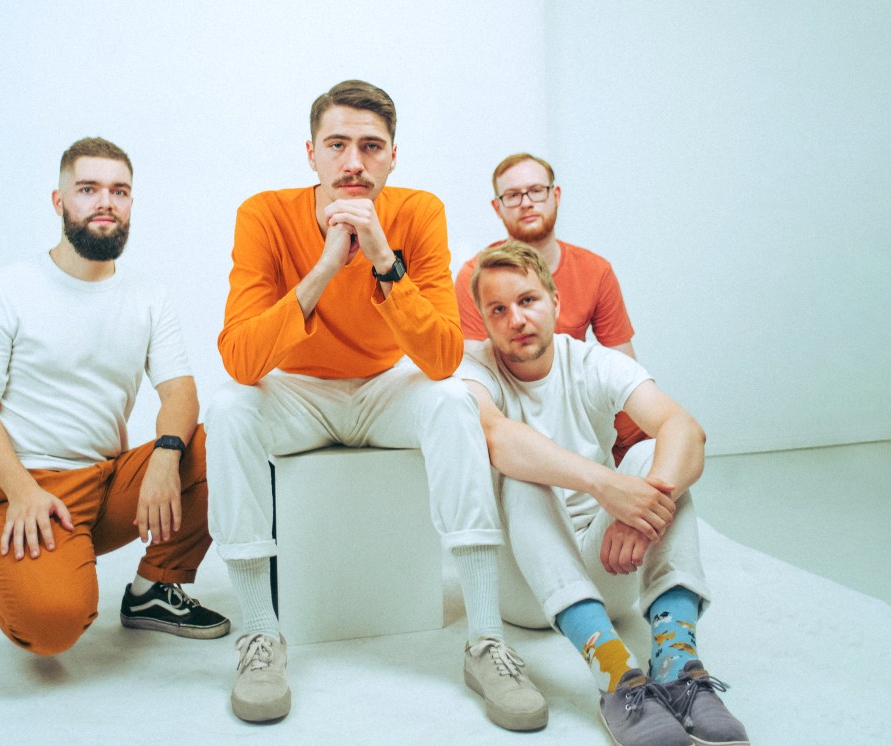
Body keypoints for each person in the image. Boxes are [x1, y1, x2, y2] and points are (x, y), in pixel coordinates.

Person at [205, 80, 546, 730]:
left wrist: (385, 260)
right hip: (299, 393)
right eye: (337, 145)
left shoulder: (418, 211)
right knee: (227, 409)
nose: (353, 162)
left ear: (393, 156)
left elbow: (442, 356)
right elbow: (242, 360)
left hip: (387, 387)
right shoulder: (264, 214)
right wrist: (327, 265)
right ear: (311, 153)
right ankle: (260, 635)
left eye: (370, 146)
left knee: (452, 400)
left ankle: (485, 640)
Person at [458, 241, 749, 746]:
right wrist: (607, 486)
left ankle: (678, 664)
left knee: (655, 459)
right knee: (523, 469)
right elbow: (497, 439)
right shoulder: (473, 368)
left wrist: (645, 506)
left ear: (555, 301)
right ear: (483, 320)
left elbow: (685, 429)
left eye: (527, 300)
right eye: (497, 310)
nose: (516, 319)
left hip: (610, 565)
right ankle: (616, 677)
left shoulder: (590, 361)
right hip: (524, 587)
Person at [0, 137, 230, 657]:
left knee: (228, 442)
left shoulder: (149, 295)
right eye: (88, 189)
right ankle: (39, 570)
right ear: (59, 201)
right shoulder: (9, 288)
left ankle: (153, 591)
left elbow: (179, 390)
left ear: (130, 203)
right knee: (53, 625)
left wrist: (167, 455)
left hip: (108, 481)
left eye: (119, 191)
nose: (105, 202)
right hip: (25, 486)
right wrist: (22, 491)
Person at [453, 153, 645, 464]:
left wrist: (635, 454)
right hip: (513, 423)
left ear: (555, 195)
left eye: (536, 191)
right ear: (497, 207)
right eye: (513, 195)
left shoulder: (595, 271)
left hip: (580, 420)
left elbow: (624, 371)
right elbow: (476, 377)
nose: (526, 203)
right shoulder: (474, 277)